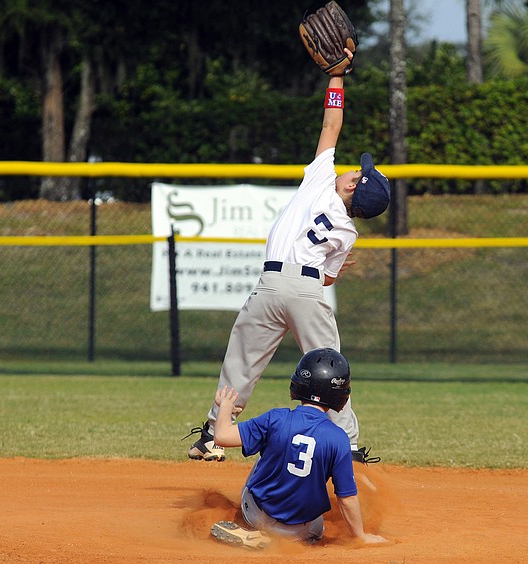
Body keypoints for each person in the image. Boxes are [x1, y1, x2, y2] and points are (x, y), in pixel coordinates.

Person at [185, 48, 390, 464]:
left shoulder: (319, 181)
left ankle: (211, 433)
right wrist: (330, 272)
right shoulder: (348, 229)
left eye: (357, 173)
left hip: (269, 286)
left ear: (353, 188)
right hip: (307, 291)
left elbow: (331, 123)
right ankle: (346, 444)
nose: (352, 170)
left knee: (241, 361)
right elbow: (327, 281)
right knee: (331, 367)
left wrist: (337, 77)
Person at [208, 348, 386, 548]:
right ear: (341, 394)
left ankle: (260, 532)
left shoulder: (275, 418)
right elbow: (347, 498)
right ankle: (291, 541)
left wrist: (224, 406)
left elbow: (221, 436)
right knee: (323, 482)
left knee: (267, 452)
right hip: (303, 529)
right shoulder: (338, 438)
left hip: (256, 515)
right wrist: (360, 536)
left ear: (298, 384)